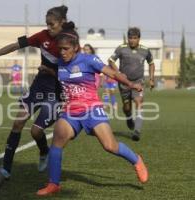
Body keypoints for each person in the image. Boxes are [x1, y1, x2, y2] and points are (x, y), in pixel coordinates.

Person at [36, 22, 148, 196]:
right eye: (60, 49)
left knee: (110, 146)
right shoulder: (60, 62)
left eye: (66, 49)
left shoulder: (88, 60)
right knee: (57, 142)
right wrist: (47, 70)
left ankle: (137, 160)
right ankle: (53, 184)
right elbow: (65, 77)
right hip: (70, 111)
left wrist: (131, 84)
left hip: (91, 109)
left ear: (76, 48)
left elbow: (112, 73)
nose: (62, 52)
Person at [0, 5, 69, 178]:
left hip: (56, 93)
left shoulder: (69, 42)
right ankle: (6, 169)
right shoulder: (42, 36)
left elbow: (72, 74)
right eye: (47, 24)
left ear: (62, 23)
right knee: (18, 123)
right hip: (38, 87)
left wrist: (51, 72)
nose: (48, 28)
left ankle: (44, 151)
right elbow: (15, 46)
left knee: (36, 132)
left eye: (52, 24)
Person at [108, 27, 155, 141]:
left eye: (135, 38)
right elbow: (110, 61)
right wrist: (118, 73)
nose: (132, 40)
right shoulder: (121, 48)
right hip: (124, 83)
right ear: (127, 38)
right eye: (130, 38)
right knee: (127, 107)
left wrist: (151, 79)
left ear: (139, 38)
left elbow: (151, 63)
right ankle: (129, 117)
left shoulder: (145, 50)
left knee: (139, 102)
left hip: (138, 82)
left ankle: (137, 131)